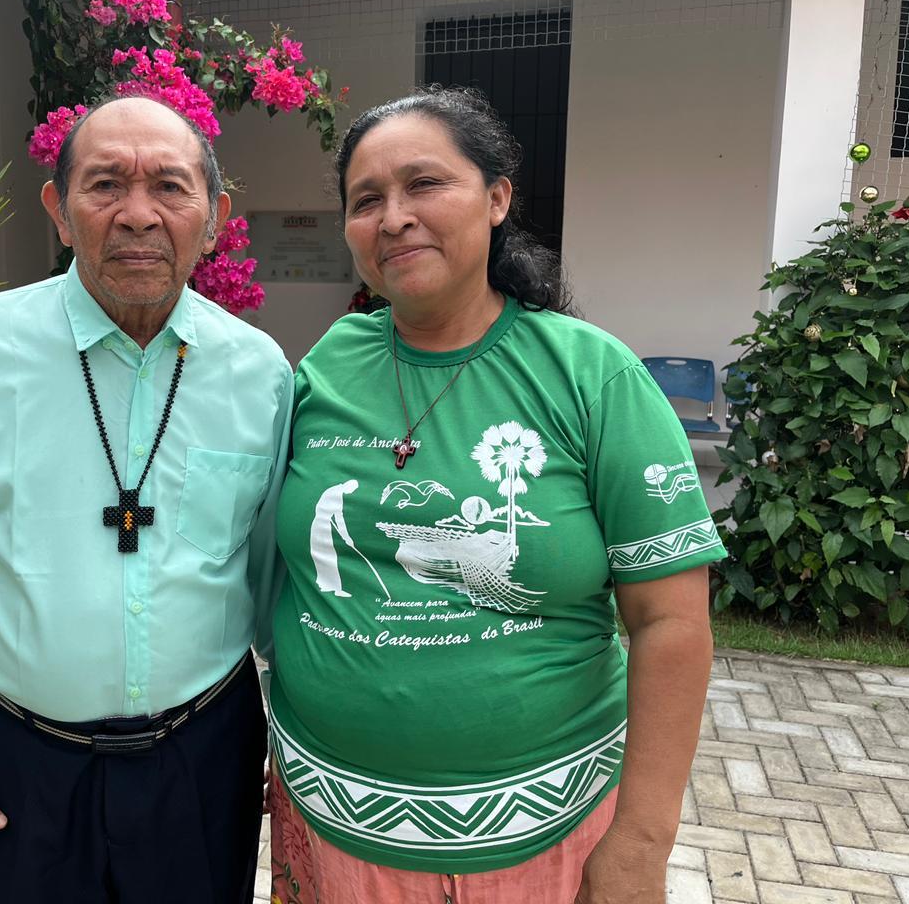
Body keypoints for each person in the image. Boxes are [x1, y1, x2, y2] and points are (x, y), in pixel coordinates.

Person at [266, 87, 724, 904]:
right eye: (366, 200)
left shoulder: (591, 374)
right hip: (330, 827)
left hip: (538, 844)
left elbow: (672, 623)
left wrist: (642, 842)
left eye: (424, 184)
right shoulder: (328, 364)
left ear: (498, 198)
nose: (394, 218)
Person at [0, 94, 292, 904]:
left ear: (215, 218)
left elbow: (272, 579)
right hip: (24, 766)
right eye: (105, 185)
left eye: (170, 186)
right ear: (59, 210)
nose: (138, 215)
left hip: (206, 754)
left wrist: (297, 747)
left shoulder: (259, 371)